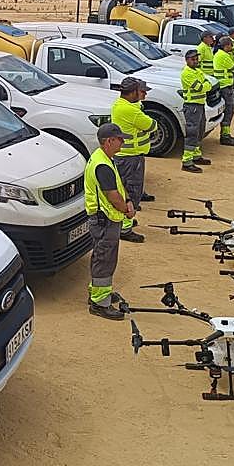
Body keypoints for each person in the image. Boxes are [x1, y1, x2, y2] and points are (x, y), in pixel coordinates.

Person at [84, 123, 136, 320]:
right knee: (104, 259)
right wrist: (127, 209)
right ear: (108, 141)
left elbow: (118, 187)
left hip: (106, 220)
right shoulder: (103, 164)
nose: (122, 142)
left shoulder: (104, 158)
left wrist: (128, 200)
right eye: (119, 139)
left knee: (102, 256)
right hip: (104, 220)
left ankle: (99, 293)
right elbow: (112, 195)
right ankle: (99, 304)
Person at [111, 77, 155, 246]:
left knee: (125, 190)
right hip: (131, 158)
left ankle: (124, 221)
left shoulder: (121, 105)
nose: (143, 94)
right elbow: (152, 125)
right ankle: (125, 228)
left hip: (125, 155)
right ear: (133, 92)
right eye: (140, 91)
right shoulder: (131, 111)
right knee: (132, 192)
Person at [179, 51, 212, 173]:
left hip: (199, 105)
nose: (196, 61)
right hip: (192, 106)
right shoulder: (187, 73)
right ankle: (187, 162)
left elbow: (207, 84)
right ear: (187, 60)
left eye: (196, 59)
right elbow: (201, 87)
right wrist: (205, 85)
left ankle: (196, 156)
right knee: (192, 133)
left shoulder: (197, 71)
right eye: (193, 59)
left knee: (199, 131)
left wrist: (205, 85)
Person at [212, 35, 234, 146]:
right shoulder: (224, 56)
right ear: (226, 45)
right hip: (225, 87)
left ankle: (225, 135)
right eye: (230, 45)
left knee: (228, 111)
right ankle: (225, 136)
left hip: (223, 86)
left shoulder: (220, 54)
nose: (232, 47)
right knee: (228, 111)